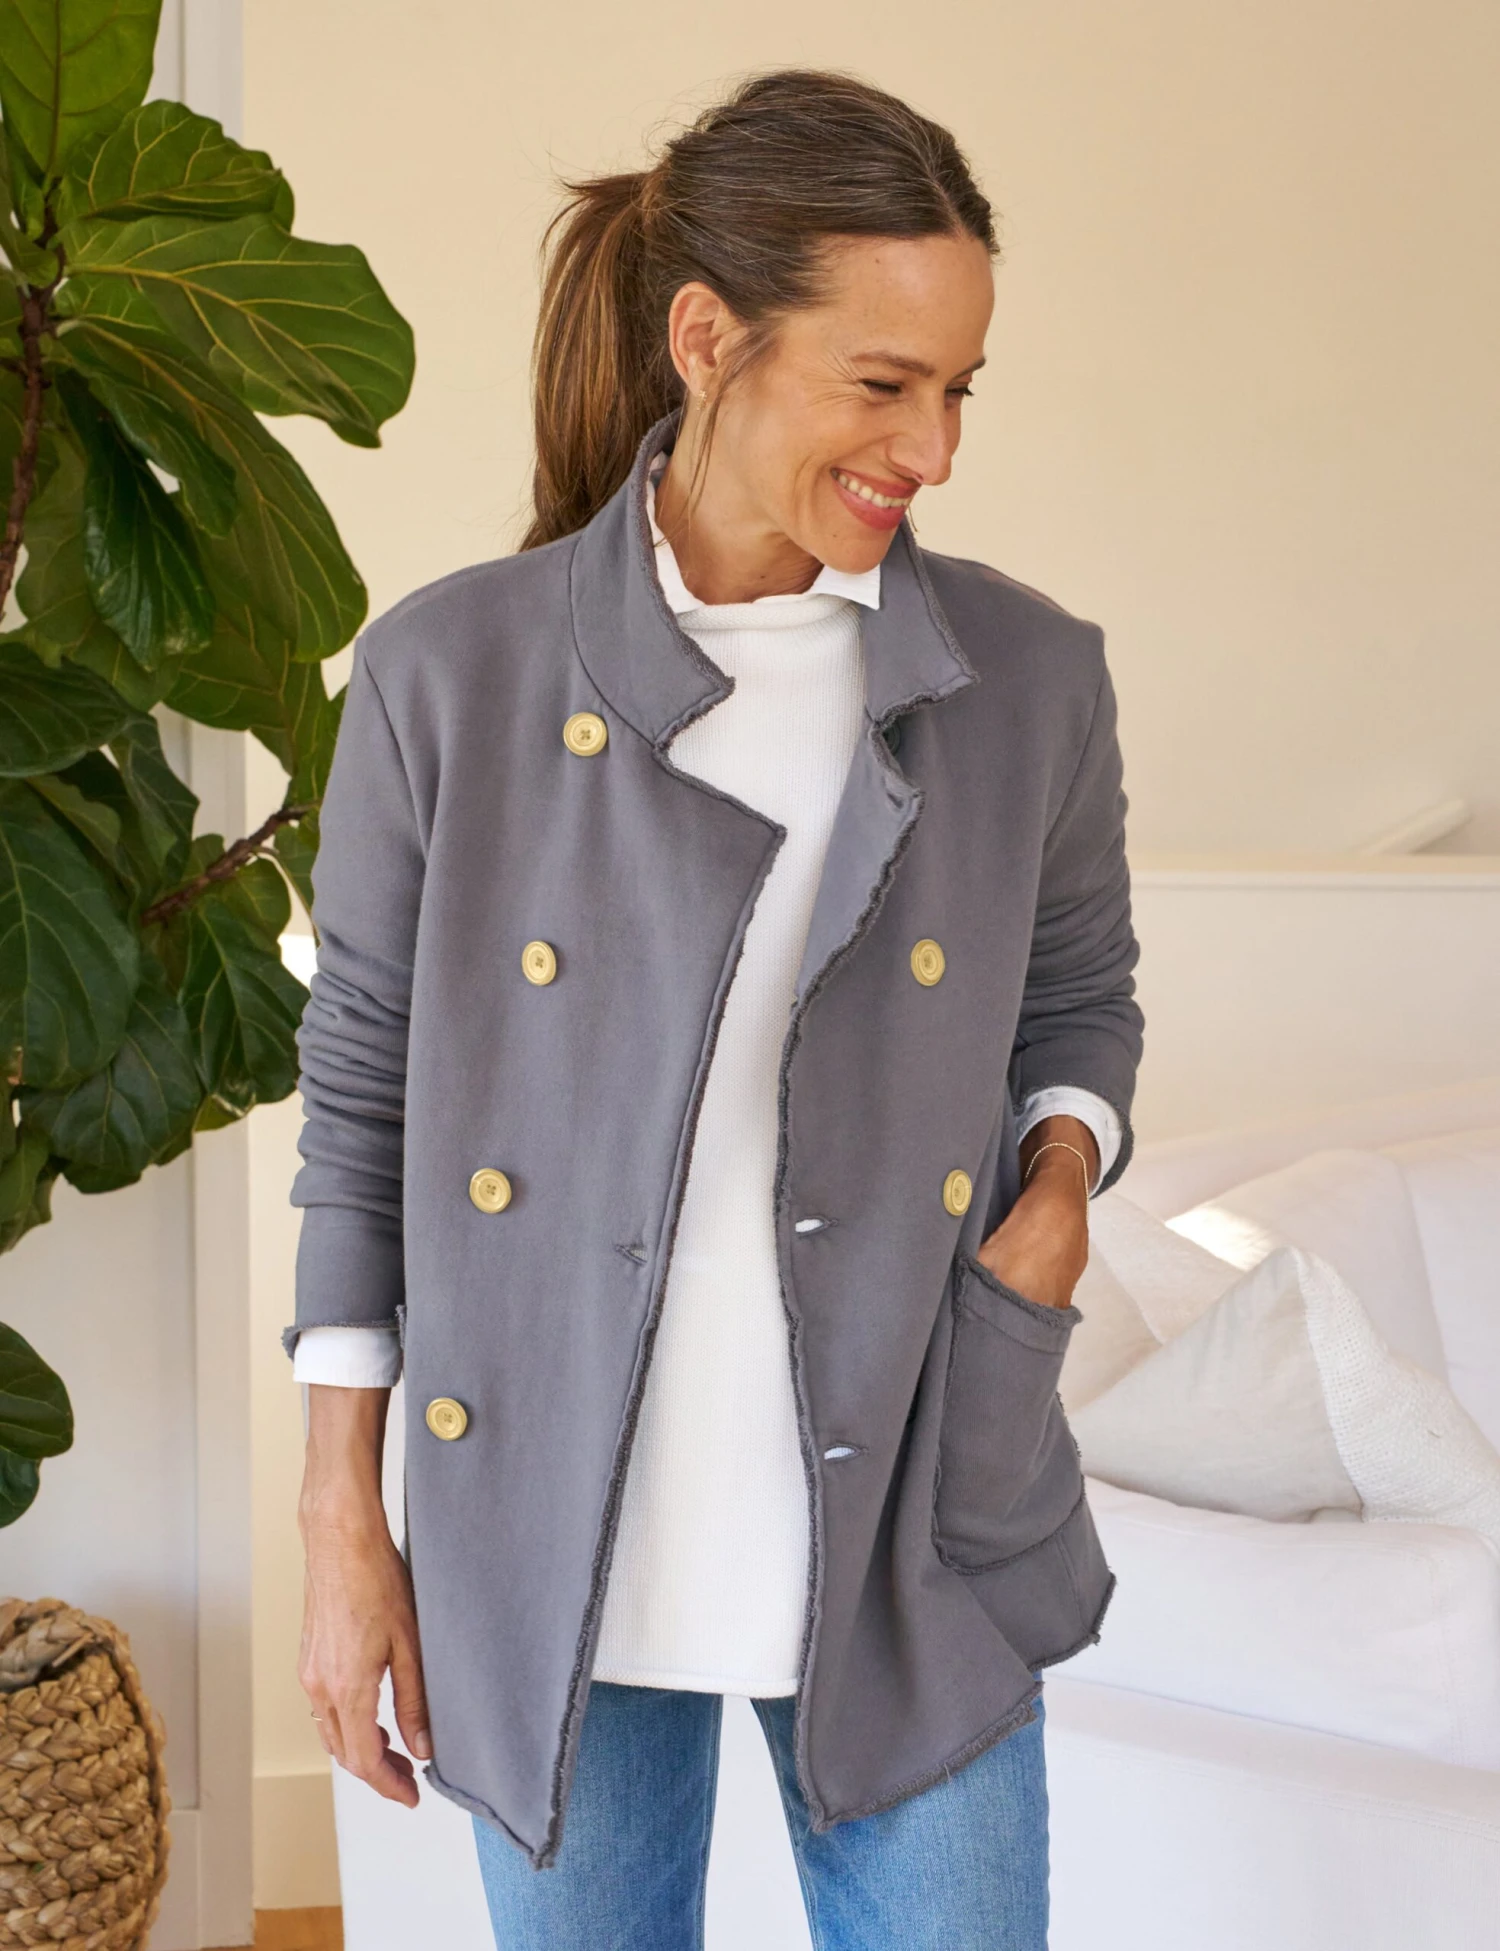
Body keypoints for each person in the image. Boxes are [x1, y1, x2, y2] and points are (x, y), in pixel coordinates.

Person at [289, 68, 1143, 1951]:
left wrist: (1061, 1182)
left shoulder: (1027, 679)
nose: (931, 450)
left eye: (959, 390)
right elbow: (359, 1101)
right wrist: (342, 1519)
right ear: (706, 338)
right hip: (553, 1510)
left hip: (909, 1496)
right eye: (883, 382)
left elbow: (1080, 991)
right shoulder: (450, 676)